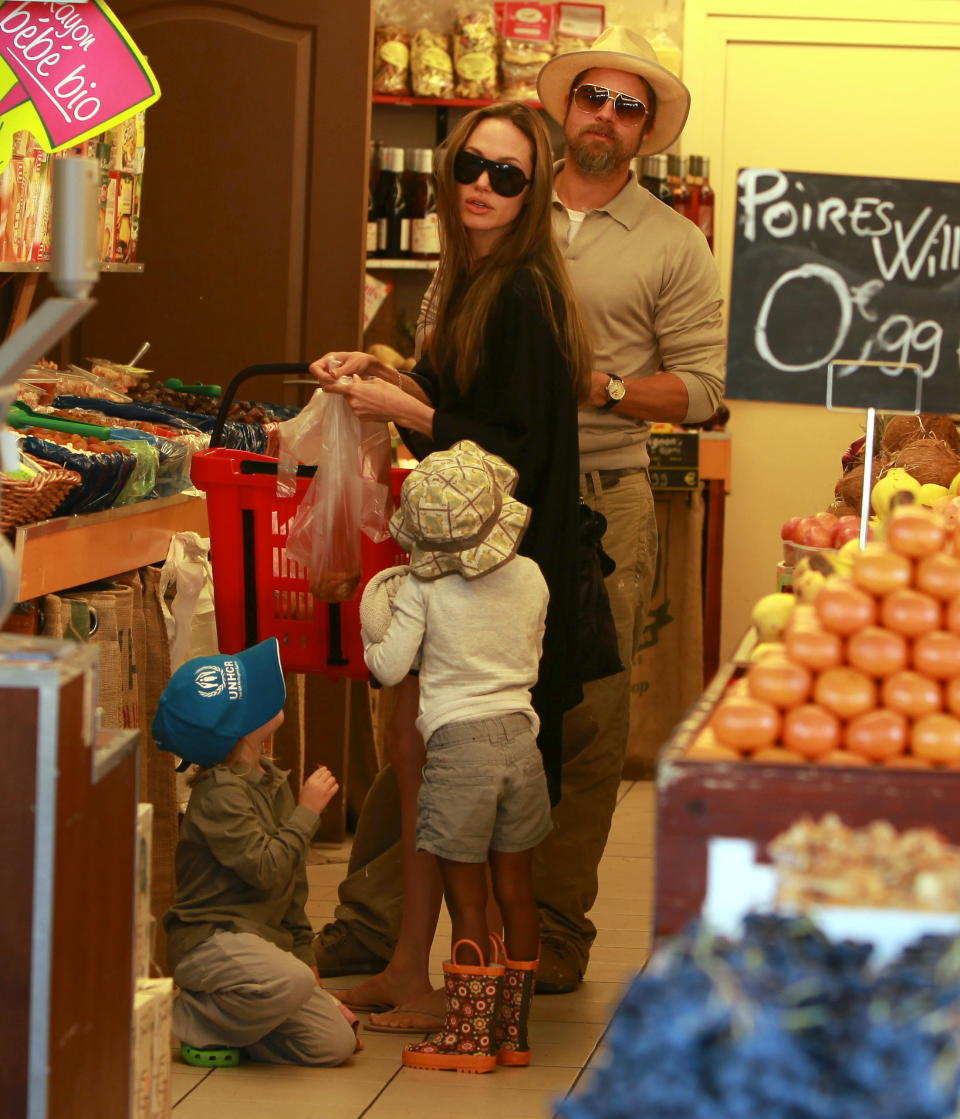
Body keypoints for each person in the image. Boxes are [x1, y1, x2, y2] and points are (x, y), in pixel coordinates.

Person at [313, 25, 726, 1015]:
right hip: (467, 508)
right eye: (594, 97)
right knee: (424, 726)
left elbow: (706, 388)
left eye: (630, 107)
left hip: (587, 503)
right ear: (564, 109)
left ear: (644, 133)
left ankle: (539, 943)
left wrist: (605, 385)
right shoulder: (482, 251)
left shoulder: (665, 242)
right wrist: (384, 373)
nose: (606, 117)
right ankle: (391, 936)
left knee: (571, 729)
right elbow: (453, 375)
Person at [309, 100, 591, 1026]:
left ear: (533, 189)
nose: (483, 185)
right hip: (464, 569)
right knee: (414, 751)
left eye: (507, 175)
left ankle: (449, 978)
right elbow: (458, 387)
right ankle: (408, 964)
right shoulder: (471, 275)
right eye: (472, 164)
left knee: (447, 773)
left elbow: (520, 447)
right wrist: (389, 374)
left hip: (496, 577)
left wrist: (412, 414)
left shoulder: (520, 291)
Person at [361, 440, 552, 1073]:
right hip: (522, 745)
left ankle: (466, 1042)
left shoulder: (422, 590)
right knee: (517, 894)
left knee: (467, 900)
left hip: (459, 752)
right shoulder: (531, 576)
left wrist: (373, 627)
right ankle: (512, 1035)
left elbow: (389, 670)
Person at [153, 637, 360, 1067]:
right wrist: (307, 813)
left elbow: (291, 887)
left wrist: (308, 963)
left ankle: (230, 1026)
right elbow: (266, 869)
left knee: (332, 1045)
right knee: (289, 981)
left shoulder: (269, 778)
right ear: (240, 728)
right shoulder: (219, 796)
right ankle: (191, 1016)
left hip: (264, 950)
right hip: (211, 943)